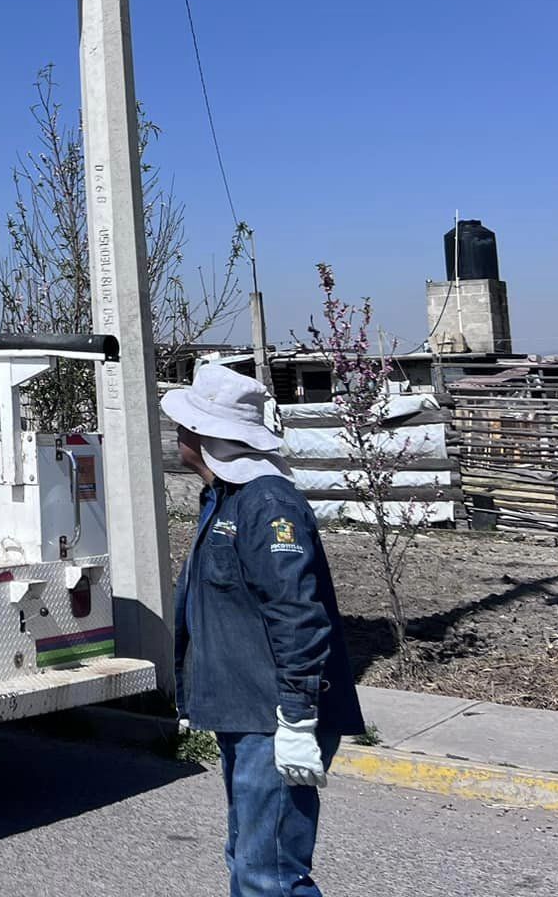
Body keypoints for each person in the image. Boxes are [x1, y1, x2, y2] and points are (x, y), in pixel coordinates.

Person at [164, 361, 364, 897]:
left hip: (273, 718)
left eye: (185, 426)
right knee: (251, 863)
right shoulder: (226, 498)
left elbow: (298, 613)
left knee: (269, 875)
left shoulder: (266, 502)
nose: (178, 435)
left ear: (204, 437)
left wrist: (298, 719)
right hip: (246, 713)